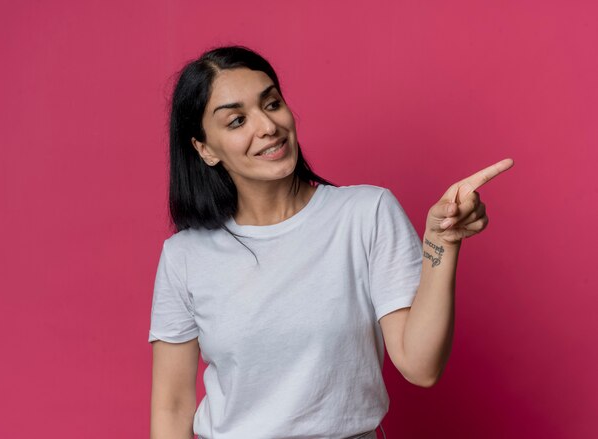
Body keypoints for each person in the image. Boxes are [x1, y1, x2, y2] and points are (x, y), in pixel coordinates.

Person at [148, 45, 514, 439]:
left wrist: (441, 244)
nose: (267, 126)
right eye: (237, 120)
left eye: (271, 103)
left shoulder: (365, 214)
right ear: (204, 149)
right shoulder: (185, 256)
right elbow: (172, 407)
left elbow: (420, 366)